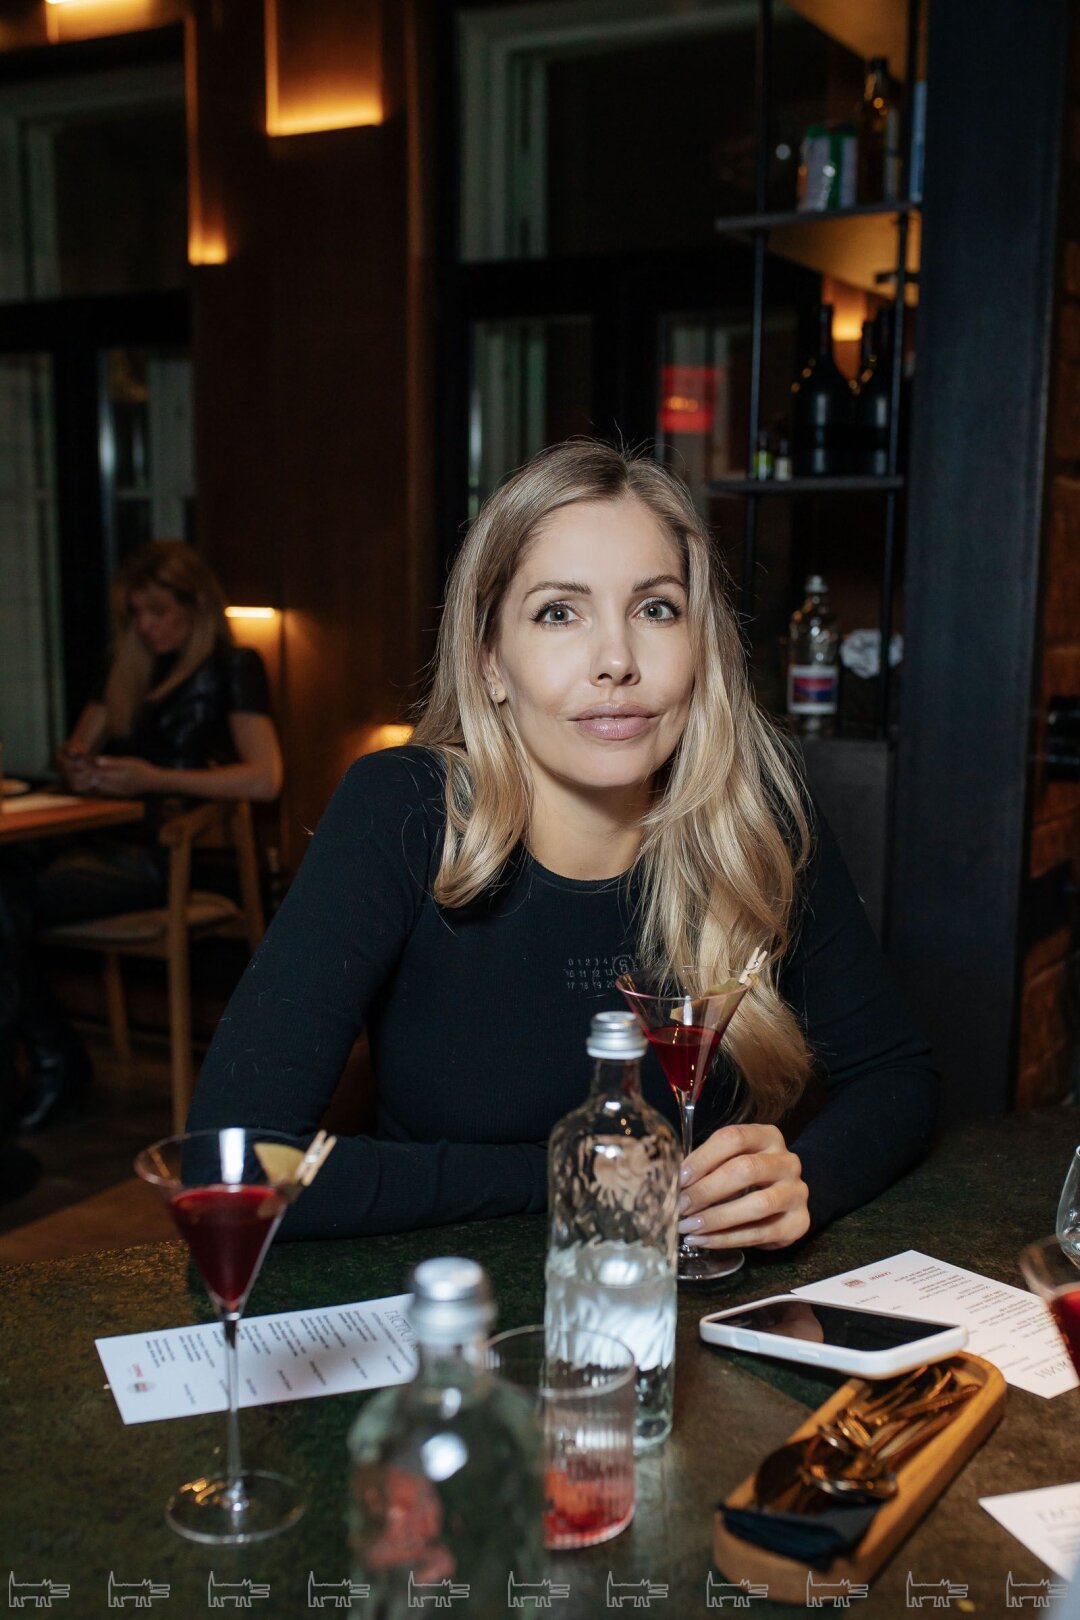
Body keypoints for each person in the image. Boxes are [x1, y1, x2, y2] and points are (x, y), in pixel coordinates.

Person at [188, 442, 938, 1247]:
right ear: (489, 663)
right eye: (558, 613)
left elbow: (897, 1077)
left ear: (701, 645)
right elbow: (230, 1166)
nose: (616, 661)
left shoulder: (756, 814)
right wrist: (592, 1171)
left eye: (656, 609)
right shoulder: (405, 810)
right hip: (451, 1302)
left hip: (690, 1306)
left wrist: (803, 1182)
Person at [4, 540, 283, 1131]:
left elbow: (265, 777)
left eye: (158, 611)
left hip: (165, 855)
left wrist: (151, 777)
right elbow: (78, 749)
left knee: (5, 901)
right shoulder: (129, 664)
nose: (146, 626)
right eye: (136, 613)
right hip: (96, 842)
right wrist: (78, 765)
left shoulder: (233, 666)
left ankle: (53, 1059)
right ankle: (53, 1058)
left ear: (196, 606)